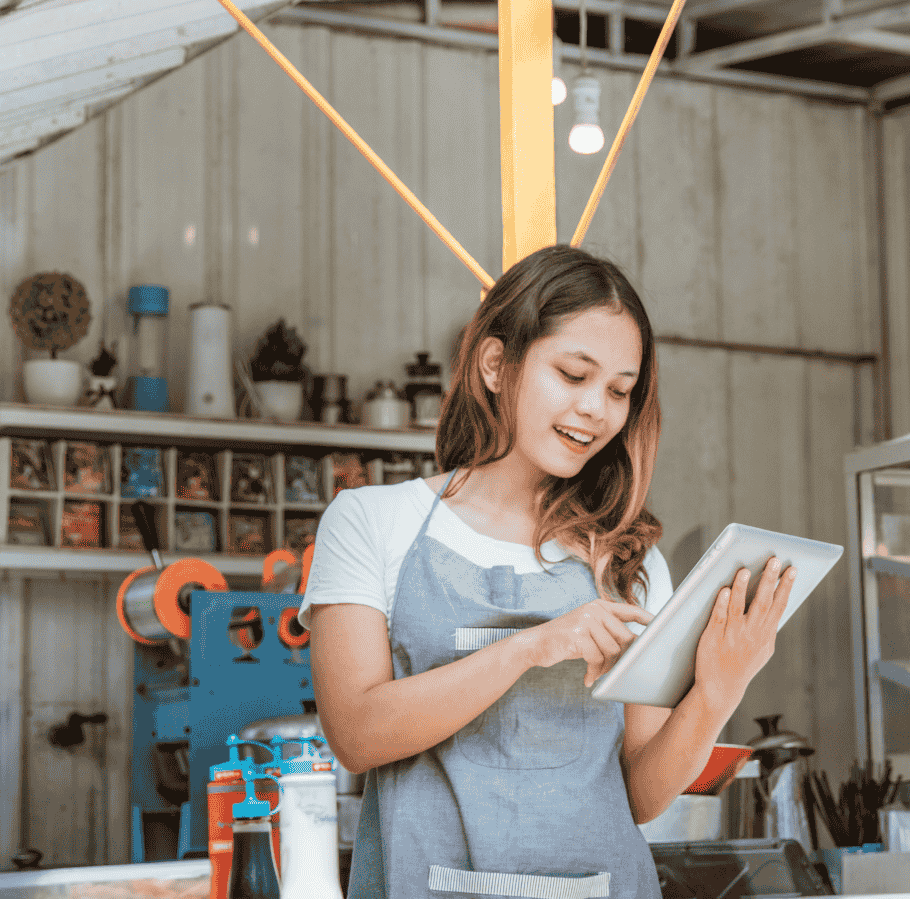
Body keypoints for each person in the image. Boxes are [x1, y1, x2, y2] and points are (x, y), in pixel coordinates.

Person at [299, 245, 797, 899]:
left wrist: (717, 692)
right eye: (573, 374)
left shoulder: (629, 557)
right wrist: (535, 646)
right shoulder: (371, 522)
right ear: (496, 365)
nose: (597, 408)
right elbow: (357, 735)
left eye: (619, 391)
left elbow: (642, 795)